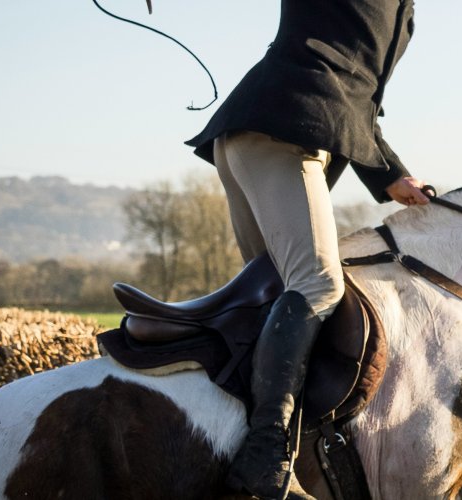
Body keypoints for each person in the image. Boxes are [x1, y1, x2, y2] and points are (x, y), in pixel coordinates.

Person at [181, 0, 427, 498]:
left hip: (269, 135)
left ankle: (235, 443)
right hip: (281, 134)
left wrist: (392, 175)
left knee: (274, 295)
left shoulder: (403, 10)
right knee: (317, 282)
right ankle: (266, 455)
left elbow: (359, 99)